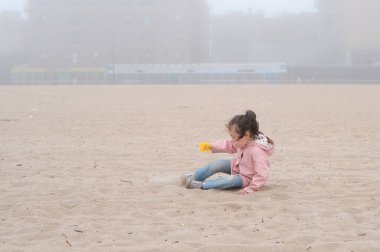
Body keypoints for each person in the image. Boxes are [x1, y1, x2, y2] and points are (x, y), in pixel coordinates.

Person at [182, 110, 274, 194]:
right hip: (237, 166)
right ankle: (195, 177)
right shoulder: (242, 141)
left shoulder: (257, 151)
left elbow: (262, 174)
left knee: (229, 180)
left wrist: (252, 188)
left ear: (246, 134)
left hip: (247, 178)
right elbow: (229, 145)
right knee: (217, 164)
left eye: (234, 137)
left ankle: (202, 185)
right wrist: (211, 146)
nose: (232, 140)